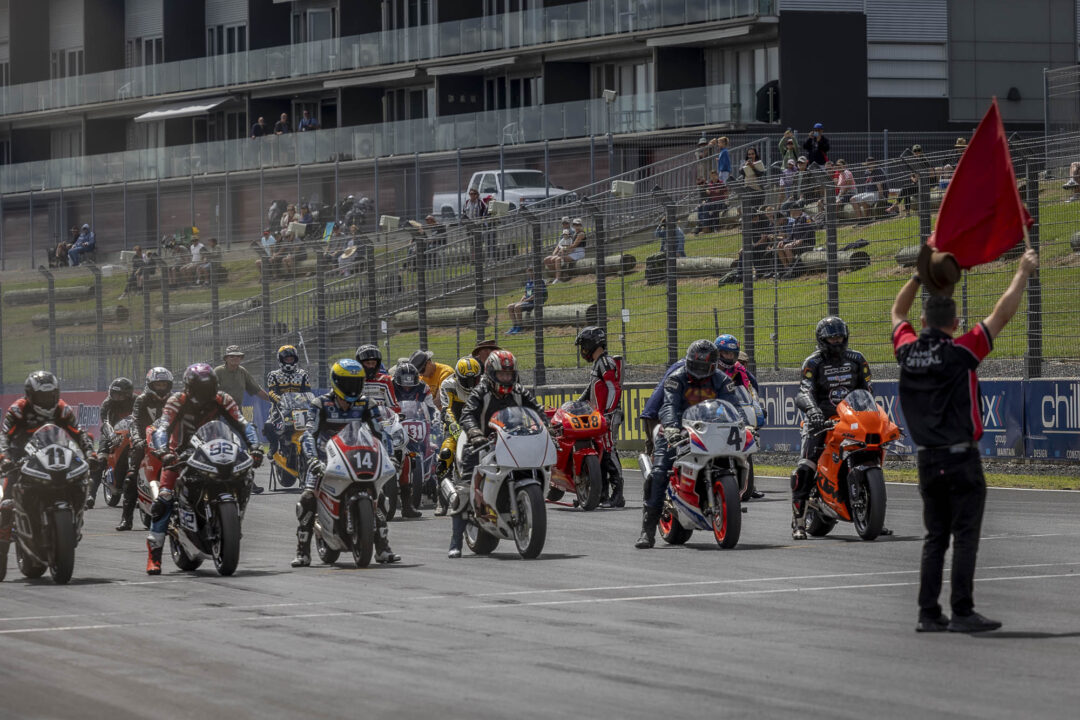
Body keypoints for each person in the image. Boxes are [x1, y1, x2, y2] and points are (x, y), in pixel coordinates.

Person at [892, 248, 1038, 633]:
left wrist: (918, 277)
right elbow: (1002, 314)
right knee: (965, 537)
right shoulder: (961, 352)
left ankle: (927, 613)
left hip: (926, 459)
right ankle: (962, 611)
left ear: (922, 321)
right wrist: (1022, 271)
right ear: (956, 323)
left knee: (934, 537)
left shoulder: (907, 351)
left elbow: (895, 313)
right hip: (960, 459)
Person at [146, 364, 263, 574]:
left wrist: (255, 447)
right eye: (200, 388)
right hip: (180, 454)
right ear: (189, 387)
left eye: (208, 388)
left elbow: (243, 424)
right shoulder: (176, 401)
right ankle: (154, 557)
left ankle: (232, 521)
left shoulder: (223, 399)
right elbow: (162, 428)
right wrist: (164, 452)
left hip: (215, 449)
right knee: (163, 499)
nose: (204, 393)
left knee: (245, 476)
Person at [293, 359, 401, 567]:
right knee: (307, 498)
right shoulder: (320, 404)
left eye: (356, 382)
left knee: (380, 498)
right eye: (347, 382)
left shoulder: (367, 404)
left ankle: (382, 547)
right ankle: (302, 550)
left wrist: (391, 456)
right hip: (325, 458)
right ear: (336, 382)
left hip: (357, 455)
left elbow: (381, 433)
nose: (352, 387)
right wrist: (313, 459)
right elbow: (308, 435)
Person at [636, 341, 740, 549]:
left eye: (705, 367)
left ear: (713, 365)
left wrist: (743, 424)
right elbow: (669, 406)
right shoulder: (676, 379)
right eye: (696, 365)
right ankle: (647, 530)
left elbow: (733, 406)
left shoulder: (723, 380)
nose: (700, 371)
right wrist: (672, 427)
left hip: (711, 429)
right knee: (659, 473)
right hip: (679, 430)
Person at [0, 371, 97, 580]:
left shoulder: (62, 408)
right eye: (43, 397)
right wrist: (5, 458)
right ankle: (1, 552)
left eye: (51, 395)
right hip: (22, 459)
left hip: (55, 457)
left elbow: (79, 433)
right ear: (30, 395)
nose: (48, 401)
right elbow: (3, 436)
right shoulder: (18, 410)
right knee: (6, 502)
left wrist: (90, 452)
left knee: (82, 479)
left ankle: (75, 518)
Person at [452, 351, 548, 558]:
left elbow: (538, 411)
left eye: (509, 374)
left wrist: (547, 427)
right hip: (481, 443)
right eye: (502, 375)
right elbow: (467, 415)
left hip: (513, 442)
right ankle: (455, 541)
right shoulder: (480, 392)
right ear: (490, 374)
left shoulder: (519, 391)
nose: (506, 378)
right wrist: (475, 433)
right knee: (465, 488)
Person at [790, 317, 873, 540]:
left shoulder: (857, 360)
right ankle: (798, 521)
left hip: (851, 417)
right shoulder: (813, 362)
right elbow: (804, 391)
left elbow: (867, 390)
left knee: (871, 450)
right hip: (821, 420)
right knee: (806, 465)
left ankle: (873, 515)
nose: (836, 341)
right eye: (831, 337)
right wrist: (813, 412)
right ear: (822, 339)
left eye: (839, 336)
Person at [116, 367, 173, 532]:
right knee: (131, 475)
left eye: (164, 384)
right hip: (145, 441)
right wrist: (137, 439)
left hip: (170, 441)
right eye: (158, 384)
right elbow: (134, 422)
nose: (161, 388)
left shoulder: (175, 399)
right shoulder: (141, 400)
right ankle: (126, 519)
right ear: (150, 384)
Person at [575, 327, 624, 508]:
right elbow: (590, 390)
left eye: (583, 346)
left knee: (609, 452)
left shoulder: (605, 362)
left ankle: (618, 494)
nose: (582, 351)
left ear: (590, 344)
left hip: (608, 417)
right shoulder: (599, 363)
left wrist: (608, 413)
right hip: (600, 418)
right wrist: (575, 404)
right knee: (601, 454)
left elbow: (613, 388)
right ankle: (601, 494)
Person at [435, 356, 482, 515]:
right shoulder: (448, 385)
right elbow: (446, 410)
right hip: (454, 426)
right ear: (458, 376)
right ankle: (441, 501)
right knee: (445, 455)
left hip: (478, 428)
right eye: (466, 380)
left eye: (473, 379)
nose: (471, 384)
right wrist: (456, 430)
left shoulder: (483, 385)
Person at [391, 360, 438, 519]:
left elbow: (431, 407)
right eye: (404, 384)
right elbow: (385, 406)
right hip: (397, 424)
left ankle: (436, 484)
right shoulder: (390, 386)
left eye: (410, 384)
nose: (407, 388)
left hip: (418, 421)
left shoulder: (423, 387)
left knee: (435, 446)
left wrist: (435, 418)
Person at [86, 377, 137, 509]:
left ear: (128, 394)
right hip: (111, 433)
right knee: (101, 459)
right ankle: (91, 495)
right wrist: (112, 435)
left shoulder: (136, 401)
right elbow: (106, 422)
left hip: (133, 433)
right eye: (114, 393)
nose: (116, 397)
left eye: (119, 394)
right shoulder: (107, 403)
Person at [263, 345, 312, 459]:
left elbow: (308, 392)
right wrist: (279, 401)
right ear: (281, 360)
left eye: (291, 359)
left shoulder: (303, 374)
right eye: (286, 359)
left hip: (301, 408)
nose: (289, 361)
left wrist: (309, 401)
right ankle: (273, 445)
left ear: (295, 359)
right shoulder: (273, 375)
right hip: (280, 408)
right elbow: (271, 392)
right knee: (269, 424)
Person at [545, 218, 587, 285]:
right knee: (554, 259)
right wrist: (561, 250)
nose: (576, 226)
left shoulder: (581, 233)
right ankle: (559, 276)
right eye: (575, 224)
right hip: (572, 251)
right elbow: (562, 244)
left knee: (558, 259)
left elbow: (574, 245)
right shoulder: (574, 233)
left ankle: (558, 278)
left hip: (578, 252)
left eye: (578, 224)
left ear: (581, 225)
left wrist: (564, 249)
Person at [355, 344, 397, 409]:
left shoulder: (385, 380)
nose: (371, 366)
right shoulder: (354, 381)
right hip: (359, 416)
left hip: (380, 417)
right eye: (368, 363)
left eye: (373, 363)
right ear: (360, 363)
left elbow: (393, 406)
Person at [506, 269, 544, 335]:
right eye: (528, 272)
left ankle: (520, 327)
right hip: (527, 302)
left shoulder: (539, 281)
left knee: (517, 307)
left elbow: (537, 294)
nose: (530, 273)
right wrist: (521, 301)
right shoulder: (528, 282)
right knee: (509, 306)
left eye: (531, 271)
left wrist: (526, 300)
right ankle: (514, 326)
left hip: (534, 303)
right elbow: (525, 294)